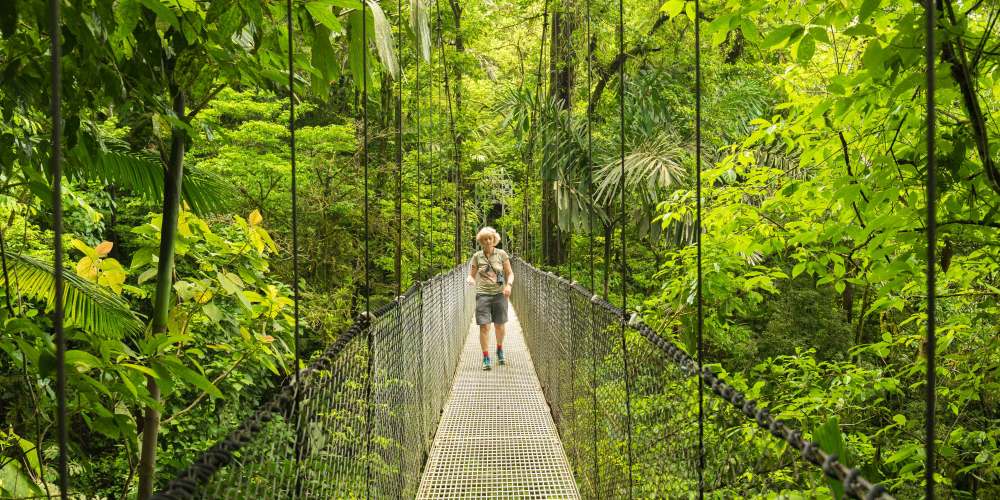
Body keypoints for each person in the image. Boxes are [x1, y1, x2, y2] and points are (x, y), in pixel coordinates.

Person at [466, 227, 514, 371]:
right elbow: (471, 274)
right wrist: (470, 279)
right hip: (483, 294)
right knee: (485, 326)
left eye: (490, 239)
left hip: (499, 294)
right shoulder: (477, 256)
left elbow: (510, 273)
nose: (487, 241)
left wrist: (509, 286)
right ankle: (486, 357)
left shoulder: (502, 254)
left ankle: (499, 349)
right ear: (481, 241)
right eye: (485, 239)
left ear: (494, 240)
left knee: (499, 325)